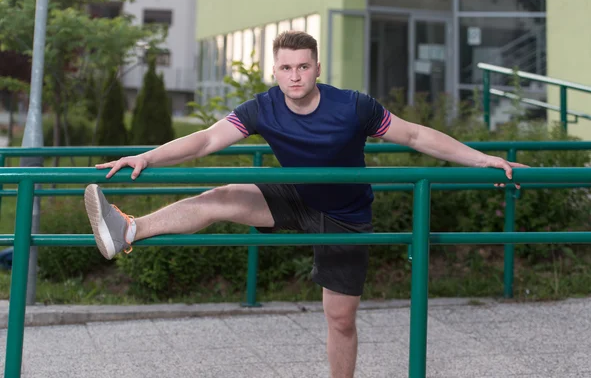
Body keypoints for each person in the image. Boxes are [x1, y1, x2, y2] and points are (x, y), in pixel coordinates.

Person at [84, 31, 525, 378]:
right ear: (274, 71)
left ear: (316, 68)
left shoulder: (353, 107)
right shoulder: (262, 107)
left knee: (340, 320)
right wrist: (145, 156)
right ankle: (128, 229)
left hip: (346, 215)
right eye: (285, 68)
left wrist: (481, 157)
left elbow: (414, 136)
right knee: (219, 197)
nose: (294, 76)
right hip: (293, 195)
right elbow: (204, 141)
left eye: (302, 67)